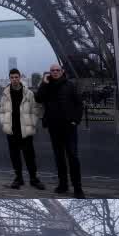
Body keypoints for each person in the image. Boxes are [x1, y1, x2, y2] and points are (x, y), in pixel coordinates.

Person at [35, 62, 85, 197]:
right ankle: (63, 185)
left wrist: (75, 120)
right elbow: (38, 98)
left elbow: (79, 104)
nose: (55, 72)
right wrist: (44, 83)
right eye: (52, 70)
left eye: (57, 70)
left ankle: (77, 188)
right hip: (54, 127)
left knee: (73, 157)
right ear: (49, 72)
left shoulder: (70, 85)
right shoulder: (47, 86)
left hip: (69, 127)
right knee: (59, 158)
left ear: (62, 71)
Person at [0, 68, 45, 190]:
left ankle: (33, 178)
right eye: (12, 77)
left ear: (20, 78)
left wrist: (32, 124)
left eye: (16, 77)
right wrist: (5, 124)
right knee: (15, 157)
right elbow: (2, 111)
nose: (14, 80)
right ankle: (18, 178)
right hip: (12, 130)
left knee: (30, 156)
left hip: (25, 130)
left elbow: (36, 110)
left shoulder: (28, 93)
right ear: (10, 79)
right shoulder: (5, 93)